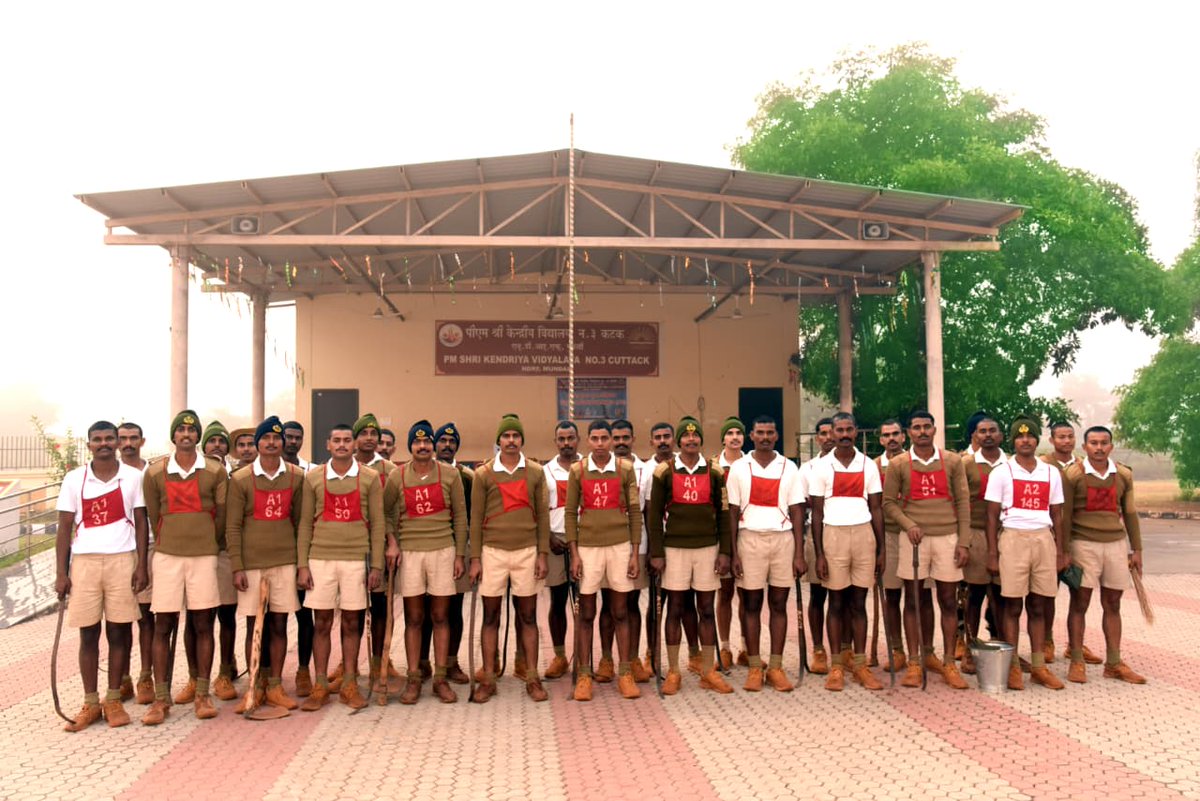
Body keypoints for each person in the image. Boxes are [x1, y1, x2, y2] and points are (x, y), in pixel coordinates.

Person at [55, 421, 150, 731]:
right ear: (89, 445)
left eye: (110, 438)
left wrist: (141, 565)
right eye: (98, 439)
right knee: (88, 633)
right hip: (84, 563)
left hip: (123, 560)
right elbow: (64, 528)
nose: (105, 443)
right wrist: (61, 573)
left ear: (117, 443)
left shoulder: (134, 477)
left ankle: (113, 699)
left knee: (120, 632)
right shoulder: (73, 479)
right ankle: (90, 701)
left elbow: (141, 521)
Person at [141, 410, 228, 724]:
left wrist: (206, 540)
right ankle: (161, 699)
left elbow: (221, 515)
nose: (187, 435)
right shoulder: (154, 473)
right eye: (181, 430)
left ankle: (203, 693)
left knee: (204, 623)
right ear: (174, 436)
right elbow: (153, 515)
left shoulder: (216, 472)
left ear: (199, 436)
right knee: (162, 625)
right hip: (167, 556)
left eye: (192, 431)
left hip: (204, 556)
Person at [296, 422, 385, 710]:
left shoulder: (370, 478)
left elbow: (379, 524)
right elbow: (304, 524)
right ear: (328, 445)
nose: (343, 445)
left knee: (351, 622)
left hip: (356, 560)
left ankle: (349, 683)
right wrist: (302, 565)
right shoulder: (313, 478)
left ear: (355, 444)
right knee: (320, 622)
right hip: (320, 558)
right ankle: (320, 684)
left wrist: (377, 566)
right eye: (337, 440)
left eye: (348, 440)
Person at [882, 411, 972, 690]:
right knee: (913, 599)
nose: (922, 432)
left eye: (927, 427)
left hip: (947, 537)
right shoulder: (898, 464)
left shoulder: (953, 461)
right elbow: (888, 503)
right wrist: (908, 524)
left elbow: (963, 501)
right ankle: (914, 661)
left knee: (947, 600)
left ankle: (947, 662)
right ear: (909, 432)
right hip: (914, 540)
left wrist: (964, 541)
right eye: (916, 428)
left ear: (935, 430)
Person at [468, 414, 551, 703]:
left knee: (527, 616)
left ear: (522, 440)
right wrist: (475, 558)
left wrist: (542, 554)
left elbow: (542, 516)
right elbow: (475, 518)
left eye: (516, 436)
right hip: (492, 552)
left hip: (527, 551)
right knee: (491, 617)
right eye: (506, 436)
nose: (511, 441)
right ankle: (489, 678)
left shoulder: (536, 472)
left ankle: (532, 677)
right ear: (499, 441)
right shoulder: (483, 474)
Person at [383, 420, 468, 704]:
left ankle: (441, 678)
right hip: (410, 553)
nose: (423, 447)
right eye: (417, 442)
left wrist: (459, 555)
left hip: (443, 550)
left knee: (441, 616)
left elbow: (460, 516)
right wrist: (392, 543)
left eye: (427, 442)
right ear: (410, 446)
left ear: (433, 445)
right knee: (414, 618)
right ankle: (414, 678)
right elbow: (384, 514)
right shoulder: (397, 476)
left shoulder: (450, 475)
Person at [225, 416, 306, 713]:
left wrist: (301, 564)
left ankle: (275, 686)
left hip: (284, 561)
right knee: (252, 625)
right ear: (257, 443)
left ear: (282, 442)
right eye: (265, 438)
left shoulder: (297, 476)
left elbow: (300, 522)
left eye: (276, 438)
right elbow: (232, 526)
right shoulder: (242, 479)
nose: (271, 443)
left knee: (279, 623)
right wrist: (237, 566)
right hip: (251, 564)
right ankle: (255, 685)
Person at [647, 417, 733, 695]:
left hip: (708, 549)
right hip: (674, 550)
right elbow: (654, 515)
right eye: (685, 437)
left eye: (695, 437)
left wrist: (725, 551)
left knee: (706, 610)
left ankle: (708, 670)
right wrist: (657, 552)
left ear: (700, 441)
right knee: (675, 609)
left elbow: (723, 513)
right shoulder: (664, 472)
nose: (691, 441)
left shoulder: (715, 471)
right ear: (679, 442)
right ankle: (674, 671)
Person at [985, 416, 1069, 691]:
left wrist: (1061, 551)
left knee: (1038, 605)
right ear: (1013, 440)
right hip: (1012, 539)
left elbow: (1057, 513)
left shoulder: (1050, 472)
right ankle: (1012, 667)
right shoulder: (1001, 472)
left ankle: (1038, 667)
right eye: (1020, 436)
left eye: (1030, 436)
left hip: (1043, 539)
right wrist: (992, 554)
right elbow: (991, 515)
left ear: (1037, 440)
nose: (1025, 440)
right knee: (1012, 605)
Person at [1061, 426, 1146, 684]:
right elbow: (1063, 516)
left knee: (1113, 604)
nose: (1099, 448)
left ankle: (1114, 662)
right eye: (1093, 443)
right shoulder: (1072, 475)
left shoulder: (1123, 474)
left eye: (1104, 443)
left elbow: (1130, 513)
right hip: (1082, 546)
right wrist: (1064, 552)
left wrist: (1137, 549)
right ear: (1084, 447)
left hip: (1116, 545)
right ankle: (1077, 659)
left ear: (1111, 446)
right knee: (1080, 603)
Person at [565, 420, 642, 700]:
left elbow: (635, 512)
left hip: (620, 547)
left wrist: (634, 553)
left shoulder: (625, 470)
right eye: (594, 438)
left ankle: (625, 672)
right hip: (587, 549)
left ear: (611, 441)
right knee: (586, 613)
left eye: (604, 438)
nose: (599, 444)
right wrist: (574, 554)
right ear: (587, 442)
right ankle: (584, 675)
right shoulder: (577, 471)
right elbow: (570, 513)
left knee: (620, 611)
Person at [727, 415, 805, 692]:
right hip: (749, 540)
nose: (765, 437)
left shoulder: (789, 467)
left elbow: (797, 509)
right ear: (751, 435)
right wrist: (733, 551)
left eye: (770, 433)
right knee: (750, 604)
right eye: (760, 432)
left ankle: (776, 666)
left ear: (776, 435)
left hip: (782, 540)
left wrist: (799, 552)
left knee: (778, 604)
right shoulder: (739, 467)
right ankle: (754, 666)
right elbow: (732, 511)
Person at [808, 412, 885, 691]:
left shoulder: (868, 465)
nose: (842, 434)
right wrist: (819, 553)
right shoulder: (822, 467)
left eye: (848, 429)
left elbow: (877, 508)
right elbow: (816, 513)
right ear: (831, 434)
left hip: (863, 534)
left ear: (856, 432)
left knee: (859, 603)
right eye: (837, 430)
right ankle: (837, 666)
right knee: (836, 603)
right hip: (833, 534)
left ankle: (860, 664)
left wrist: (882, 548)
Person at [341, 413, 398, 688]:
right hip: (348, 547)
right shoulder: (342, 467)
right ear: (355, 438)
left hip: (378, 548)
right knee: (349, 610)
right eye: (363, 433)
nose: (369, 439)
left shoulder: (390, 470)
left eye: (373, 434)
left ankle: (380, 662)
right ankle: (346, 664)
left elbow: (391, 512)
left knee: (380, 608)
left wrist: (391, 543)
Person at [642, 422, 703, 673]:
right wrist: (653, 550)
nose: (663, 441)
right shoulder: (647, 470)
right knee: (657, 604)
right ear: (651, 442)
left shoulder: (684, 464)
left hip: (683, 545)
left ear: (674, 440)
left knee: (687, 603)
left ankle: (694, 653)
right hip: (658, 547)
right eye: (658, 437)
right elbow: (649, 513)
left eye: (667, 436)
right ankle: (651, 654)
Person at [597, 418, 654, 683]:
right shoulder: (598, 469)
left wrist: (651, 549)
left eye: (625, 438)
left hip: (636, 546)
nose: (620, 443)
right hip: (605, 545)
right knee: (608, 604)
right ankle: (607, 659)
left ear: (633, 439)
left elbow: (648, 513)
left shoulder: (646, 471)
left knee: (631, 605)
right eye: (616, 438)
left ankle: (632, 659)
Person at [417, 422, 473, 684]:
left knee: (454, 611)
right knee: (428, 610)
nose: (447, 446)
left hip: (456, 550)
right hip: (428, 547)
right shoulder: (422, 473)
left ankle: (451, 663)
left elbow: (469, 516)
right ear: (434, 444)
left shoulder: (466, 477)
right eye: (443, 441)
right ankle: (423, 662)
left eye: (452, 442)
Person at [959, 414, 1007, 673]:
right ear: (975, 436)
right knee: (974, 595)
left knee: (1002, 597)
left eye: (992, 430)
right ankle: (970, 648)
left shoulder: (1011, 465)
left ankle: (1002, 647)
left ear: (1000, 435)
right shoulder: (965, 464)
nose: (987, 435)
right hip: (975, 534)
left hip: (1005, 534)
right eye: (982, 431)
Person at [1037, 421, 1082, 664]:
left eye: (1070, 436)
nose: (1066, 441)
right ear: (1051, 440)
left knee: (1079, 592)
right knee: (1047, 593)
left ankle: (1076, 644)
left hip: (1078, 536)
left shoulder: (1082, 465)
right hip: (1050, 536)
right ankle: (1046, 639)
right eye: (1061, 437)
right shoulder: (1042, 465)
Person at [118, 421, 156, 705]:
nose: (128, 443)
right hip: (119, 551)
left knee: (146, 618)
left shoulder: (151, 473)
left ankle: (146, 677)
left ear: (142, 441)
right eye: (123, 438)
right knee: (119, 620)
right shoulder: (108, 474)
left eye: (133, 438)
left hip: (151, 549)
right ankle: (123, 679)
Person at [542, 421, 580, 681]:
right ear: (555, 442)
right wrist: (547, 539)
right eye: (561, 439)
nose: (566, 443)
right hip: (555, 541)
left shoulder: (587, 467)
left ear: (578, 439)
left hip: (584, 540)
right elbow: (539, 508)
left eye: (570, 438)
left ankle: (584, 655)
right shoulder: (545, 472)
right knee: (558, 601)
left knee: (584, 603)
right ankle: (559, 655)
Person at [799, 418, 837, 673]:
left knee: (841, 597)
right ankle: (818, 650)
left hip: (843, 530)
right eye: (822, 433)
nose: (828, 437)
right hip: (816, 534)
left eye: (831, 432)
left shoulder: (854, 463)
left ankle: (842, 651)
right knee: (817, 595)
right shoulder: (807, 468)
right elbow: (802, 506)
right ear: (817, 439)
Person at [280, 420, 314, 697]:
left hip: (302, 553)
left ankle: (304, 671)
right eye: (288, 437)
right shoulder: (265, 472)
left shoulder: (311, 472)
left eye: (297, 438)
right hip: (274, 554)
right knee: (272, 620)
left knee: (305, 616)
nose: (292, 442)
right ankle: (268, 675)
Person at [874, 419, 908, 672]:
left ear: (903, 437)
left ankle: (922, 652)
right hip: (887, 536)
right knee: (891, 597)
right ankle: (897, 650)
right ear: (881, 440)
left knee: (921, 597)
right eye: (887, 435)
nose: (892, 438)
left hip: (915, 535)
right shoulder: (873, 467)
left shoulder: (914, 463)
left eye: (896, 433)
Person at [714, 416, 747, 668]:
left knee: (748, 595)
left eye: (739, 433)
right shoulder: (712, 466)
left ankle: (747, 647)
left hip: (747, 534)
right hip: (721, 536)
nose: (735, 437)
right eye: (730, 433)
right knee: (724, 593)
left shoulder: (752, 464)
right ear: (723, 438)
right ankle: (724, 647)